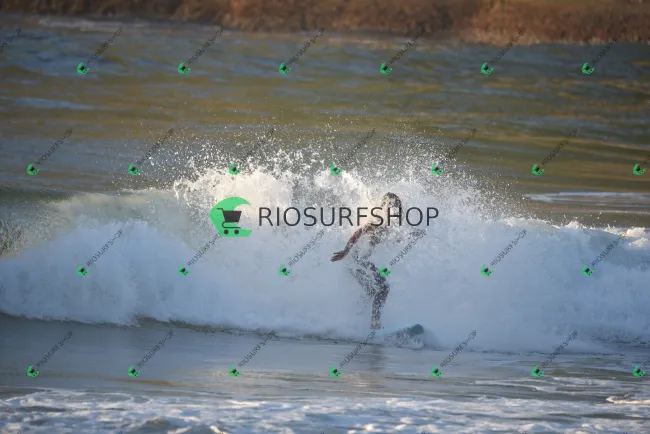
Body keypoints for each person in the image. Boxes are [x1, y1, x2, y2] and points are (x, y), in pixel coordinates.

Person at [330, 192, 404, 330]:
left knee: (371, 291)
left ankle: (355, 317)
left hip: (359, 262)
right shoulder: (378, 221)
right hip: (355, 262)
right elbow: (358, 232)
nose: (394, 210)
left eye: (396, 207)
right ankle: (375, 323)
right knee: (384, 288)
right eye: (391, 207)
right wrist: (345, 251)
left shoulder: (390, 226)